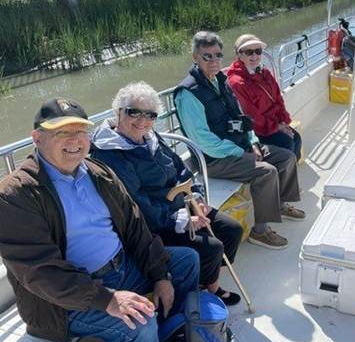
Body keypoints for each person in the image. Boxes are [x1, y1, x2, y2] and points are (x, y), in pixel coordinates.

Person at [0, 98, 199, 342]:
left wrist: (160, 276)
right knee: (138, 323)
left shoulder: (98, 172)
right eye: (62, 132)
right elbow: (39, 272)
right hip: (64, 299)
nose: (75, 140)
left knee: (187, 261)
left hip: (124, 267)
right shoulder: (15, 194)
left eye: (81, 132)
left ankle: (163, 337)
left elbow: (135, 226)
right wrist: (108, 299)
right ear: (37, 137)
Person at [90, 82, 243, 306]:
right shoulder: (109, 154)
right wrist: (179, 220)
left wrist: (196, 197)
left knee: (231, 230)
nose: (143, 121)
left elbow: (180, 168)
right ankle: (210, 287)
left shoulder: (151, 138)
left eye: (150, 115)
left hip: (182, 204)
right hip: (153, 225)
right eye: (134, 112)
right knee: (211, 248)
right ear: (118, 112)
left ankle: (204, 281)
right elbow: (136, 202)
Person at [173, 31, 305, 251]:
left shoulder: (220, 82)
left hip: (240, 147)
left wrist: (253, 141)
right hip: (214, 160)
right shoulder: (188, 94)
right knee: (266, 171)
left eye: (217, 55)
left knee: (287, 157)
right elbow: (202, 139)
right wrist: (240, 152)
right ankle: (260, 232)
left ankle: (280, 204)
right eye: (207, 56)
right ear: (195, 57)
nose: (214, 61)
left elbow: (243, 119)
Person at [227, 34, 302, 160]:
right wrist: (276, 127)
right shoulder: (237, 82)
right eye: (249, 52)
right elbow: (251, 116)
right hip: (259, 130)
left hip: (274, 122)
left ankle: (290, 171)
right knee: (287, 142)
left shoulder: (265, 72)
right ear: (239, 55)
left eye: (258, 51)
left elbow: (278, 98)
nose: (255, 56)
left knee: (296, 138)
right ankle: (282, 175)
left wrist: (283, 122)